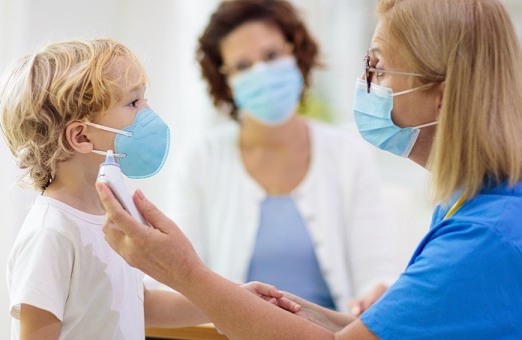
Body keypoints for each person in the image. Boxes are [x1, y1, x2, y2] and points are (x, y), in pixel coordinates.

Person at [97, 0, 522, 338]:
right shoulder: (495, 194)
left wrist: (187, 274)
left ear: (441, 93)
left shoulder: (488, 238)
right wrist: (274, 306)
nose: (367, 83)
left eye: (377, 67)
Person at [0, 38, 298, 340]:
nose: (147, 111)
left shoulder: (116, 211)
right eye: (133, 102)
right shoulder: (51, 234)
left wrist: (233, 300)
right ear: (81, 136)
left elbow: (143, 305)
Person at [166, 0, 397, 313]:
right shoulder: (200, 160)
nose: (262, 73)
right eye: (243, 66)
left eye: (271, 55)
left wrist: (377, 293)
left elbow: (375, 270)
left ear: (296, 52)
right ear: (225, 81)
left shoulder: (348, 154)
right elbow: (180, 278)